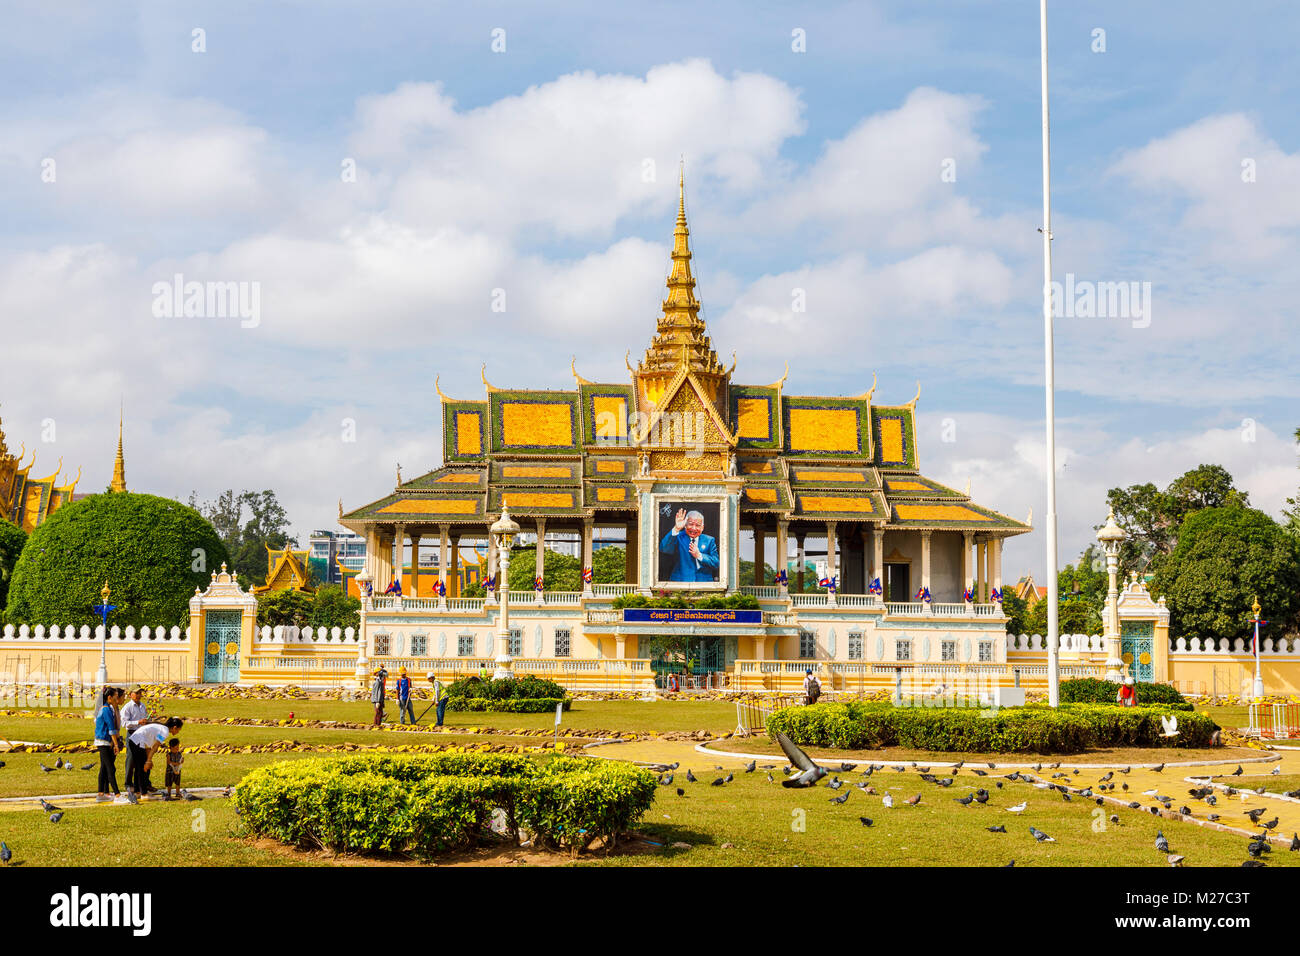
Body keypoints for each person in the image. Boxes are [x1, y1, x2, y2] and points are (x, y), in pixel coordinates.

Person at [659, 508, 720, 582]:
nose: (694, 528)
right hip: (680, 582)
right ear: (685, 525)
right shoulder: (678, 537)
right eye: (690, 524)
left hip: (703, 583)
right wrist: (676, 528)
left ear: (702, 527)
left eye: (697, 525)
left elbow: (716, 563)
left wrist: (699, 555)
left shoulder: (709, 540)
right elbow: (664, 548)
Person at [128, 718, 183, 798]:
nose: (177, 732)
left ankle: (138, 792)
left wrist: (148, 759)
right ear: (174, 727)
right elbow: (155, 746)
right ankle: (144, 793)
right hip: (138, 742)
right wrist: (148, 761)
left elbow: (148, 745)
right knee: (143, 768)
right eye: (178, 730)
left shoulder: (162, 728)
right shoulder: (165, 731)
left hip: (134, 741)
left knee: (139, 767)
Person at [94, 687, 124, 803]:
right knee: (111, 768)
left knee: (104, 768)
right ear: (109, 697)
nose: (117, 698)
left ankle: (101, 794)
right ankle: (117, 795)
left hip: (103, 741)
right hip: (104, 741)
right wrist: (116, 745)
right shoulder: (106, 710)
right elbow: (111, 729)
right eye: (115, 696)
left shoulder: (107, 708)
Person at [119, 686, 148, 793]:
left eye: (140, 693)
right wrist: (137, 722)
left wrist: (146, 721)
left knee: (142, 760)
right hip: (132, 735)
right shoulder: (128, 707)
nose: (139, 695)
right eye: (136, 693)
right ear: (130, 694)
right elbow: (124, 723)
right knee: (130, 760)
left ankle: (140, 784)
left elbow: (143, 720)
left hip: (141, 734)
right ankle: (128, 783)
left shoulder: (142, 706)